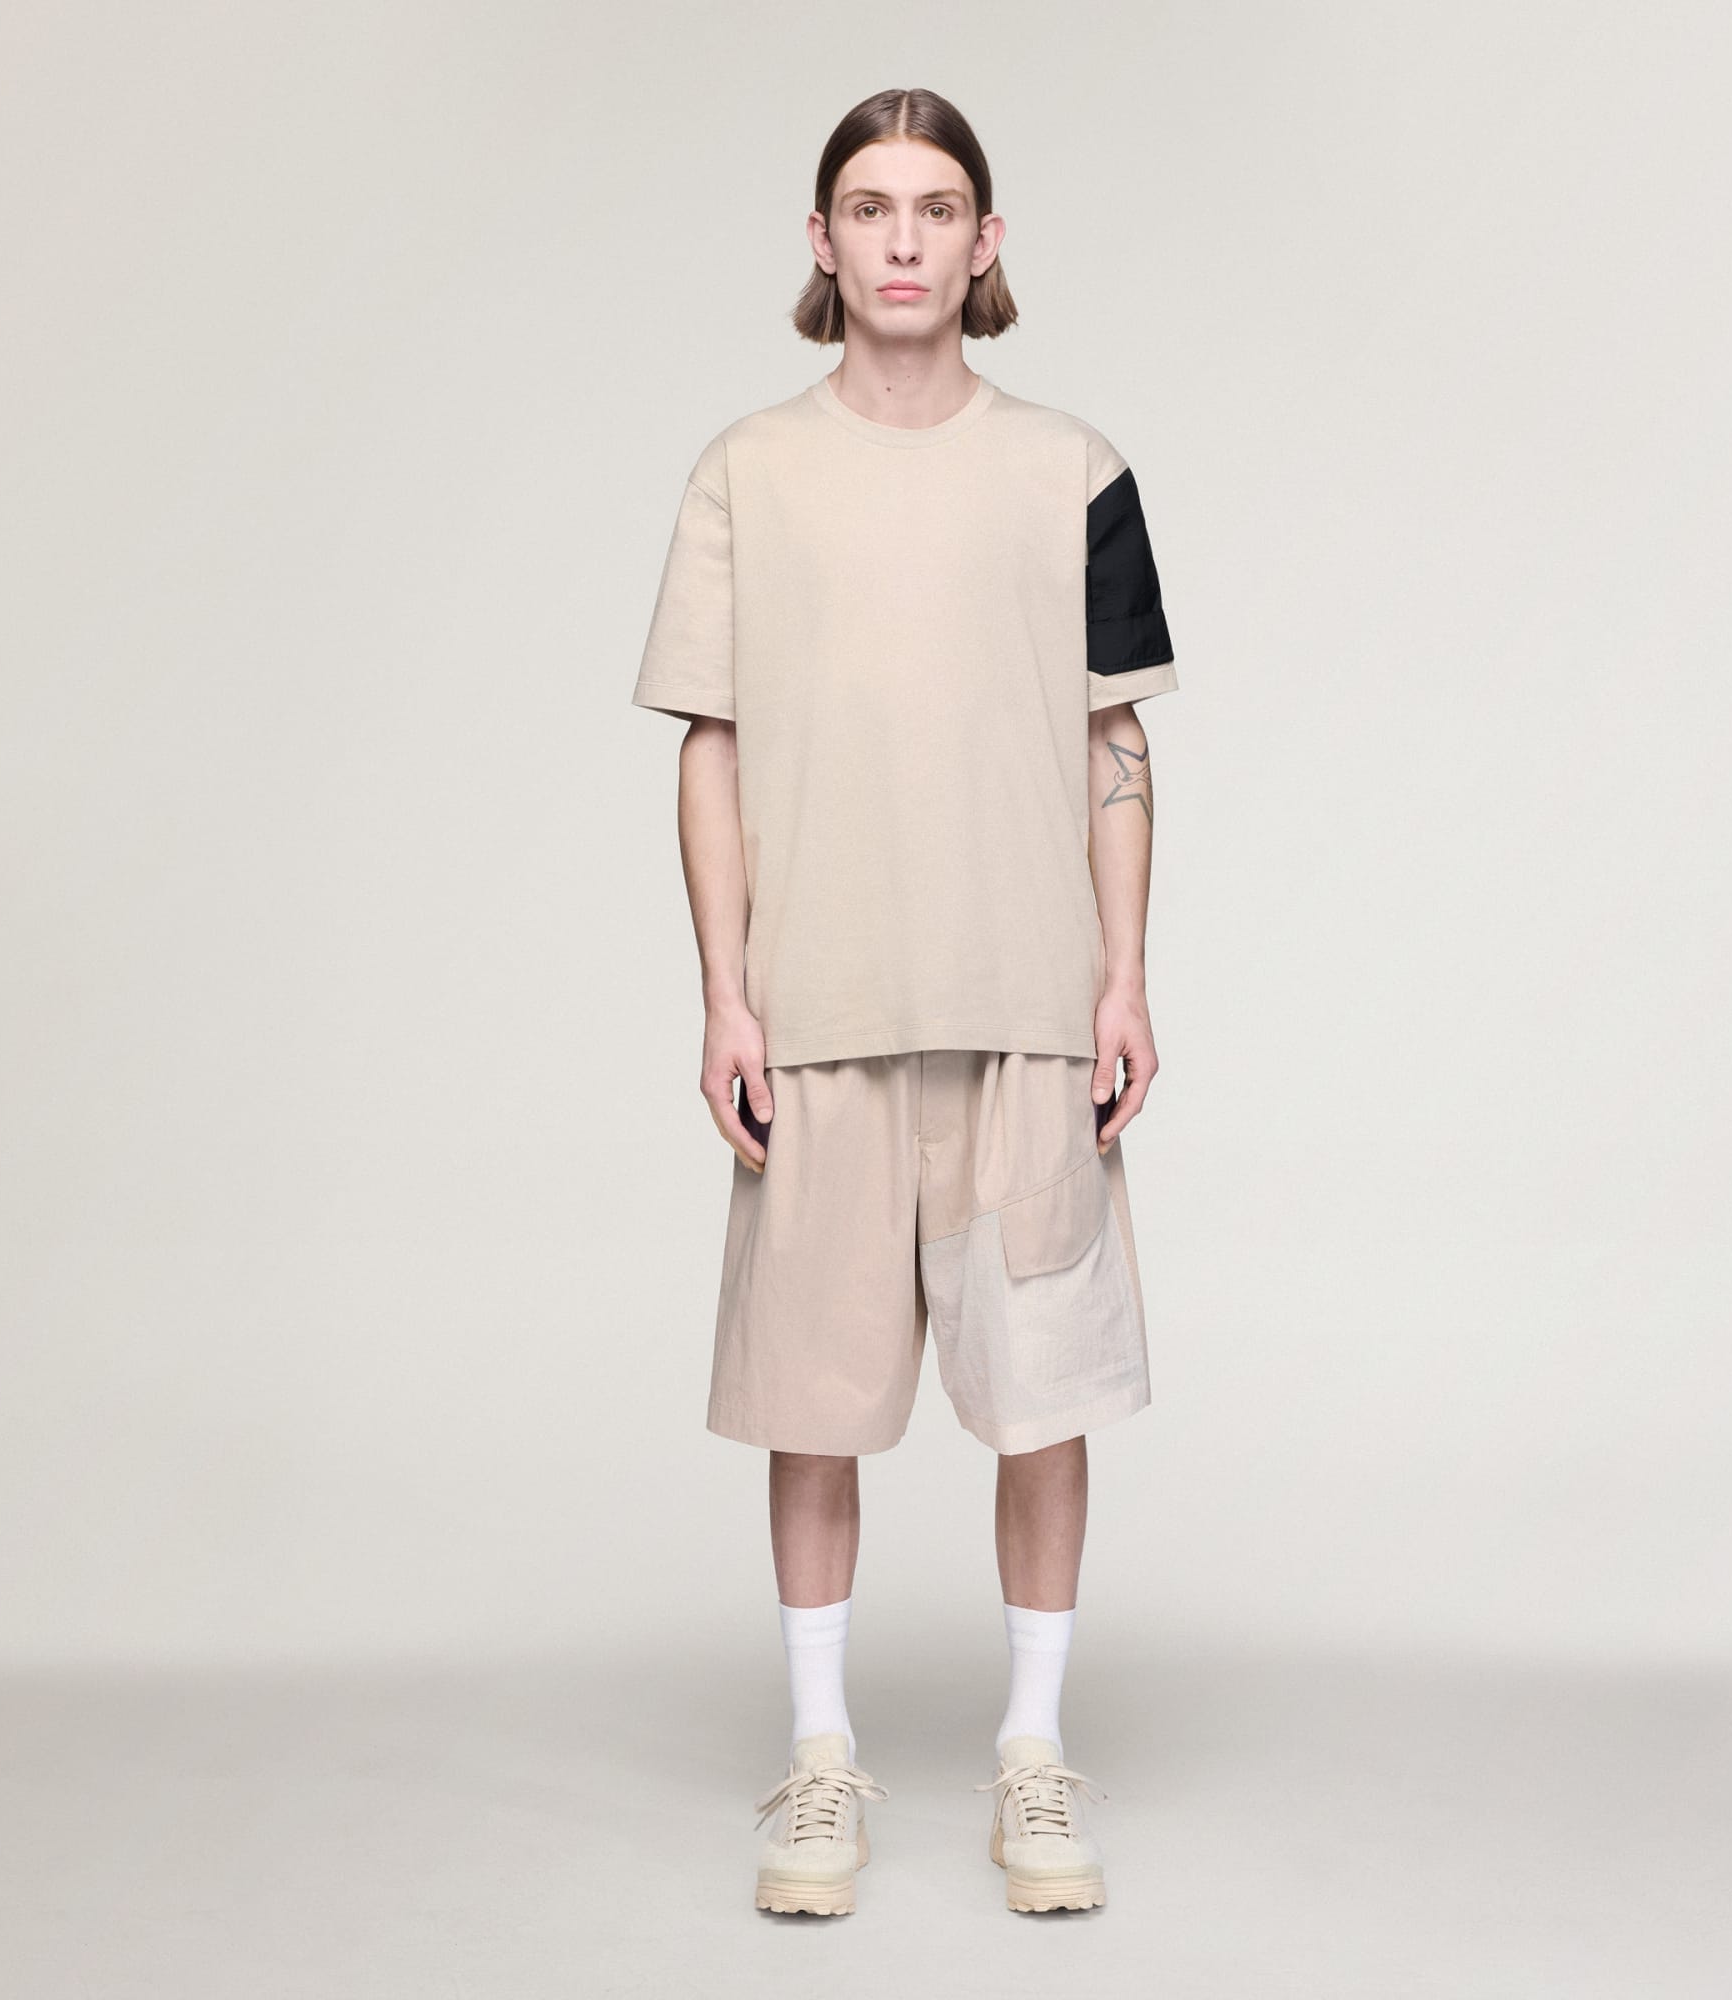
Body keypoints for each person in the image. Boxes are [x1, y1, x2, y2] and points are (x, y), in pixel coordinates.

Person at [630, 86, 1178, 1917]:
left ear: (986, 241)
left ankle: (1033, 1755)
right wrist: (726, 995)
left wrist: (1123, 976)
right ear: (822, 242)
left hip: (1026, 1009)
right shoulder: (746, 473)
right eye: (870, 208)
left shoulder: (1074, 468)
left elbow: (1114, 739)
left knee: (1043, 1399)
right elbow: (711, 746)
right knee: (815, 1401)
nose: (904, 239)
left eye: (937, 208)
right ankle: (818, 1761)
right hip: (822, 1013)